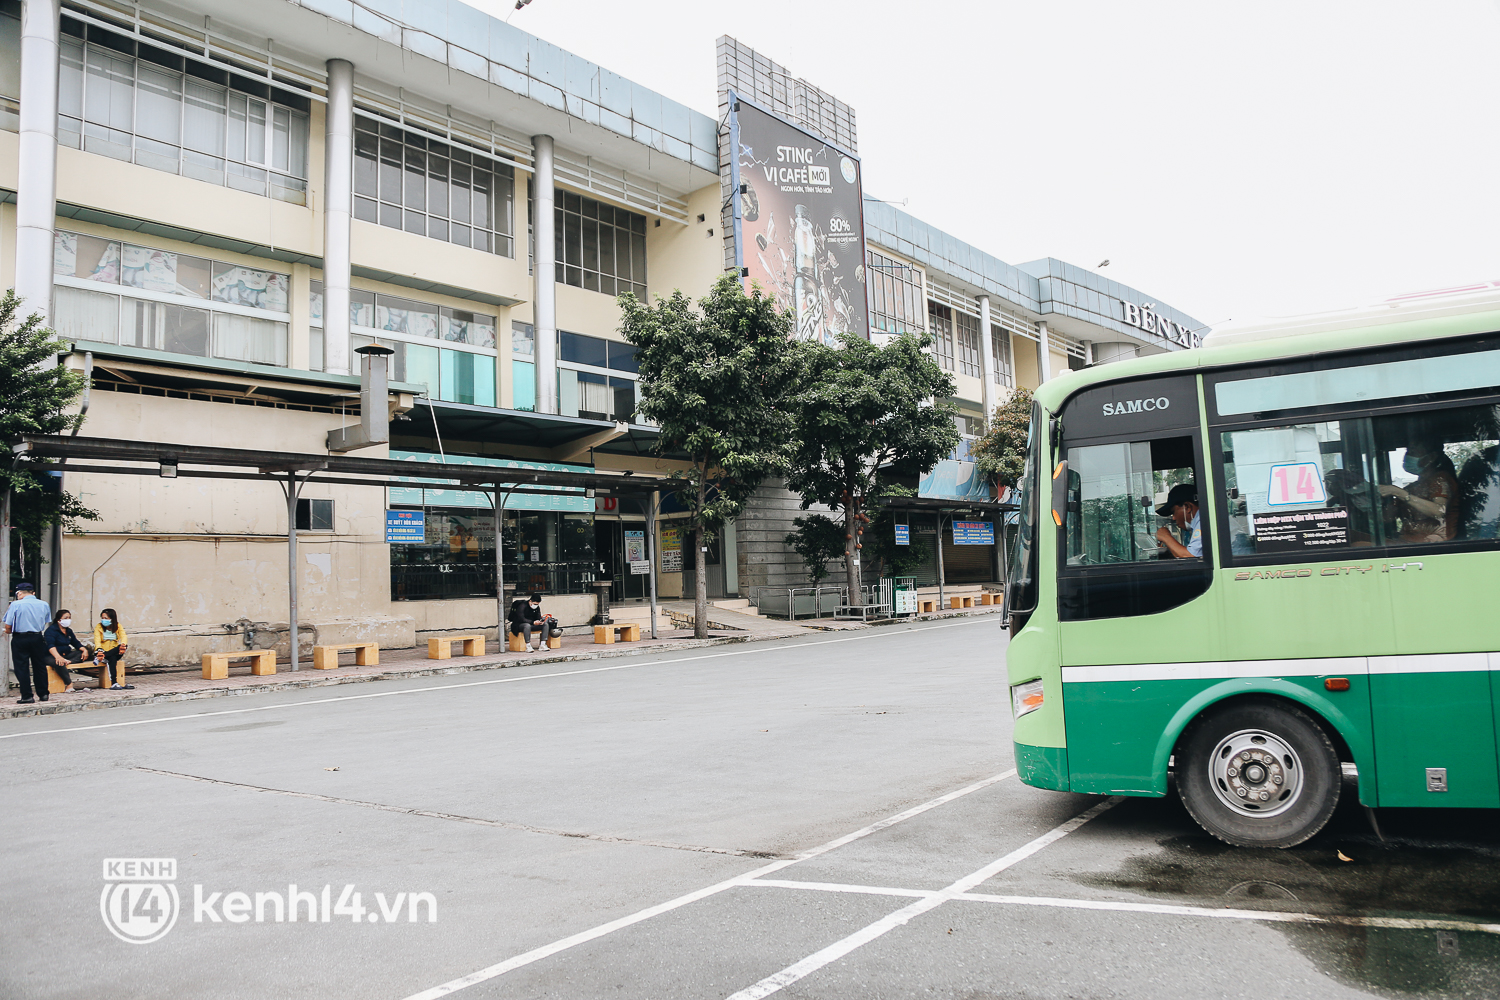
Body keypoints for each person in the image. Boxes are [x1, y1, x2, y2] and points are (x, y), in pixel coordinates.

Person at [1379, 441, 1460, 543]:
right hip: (1408, 541)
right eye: (1407, 452)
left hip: (1432, 543)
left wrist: (1399, 493)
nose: (1407, 456)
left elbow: (1439, 511)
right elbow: (1386, 518)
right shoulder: (1412, 487)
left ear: (1431, 457)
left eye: (1413, 452)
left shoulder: (1440, 480)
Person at [5, 582, 54, 704]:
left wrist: (8, 631)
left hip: (20, 638)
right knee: (39, 666)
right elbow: (46, 621)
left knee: (22, 667)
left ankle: (27, 695)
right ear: (33, 593)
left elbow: (8, 625)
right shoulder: (44, 604)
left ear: (19, 593)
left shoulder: (15, 605)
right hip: (37, 637)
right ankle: (43, 694)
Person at [44, 609, 92, 693]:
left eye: (69, 618)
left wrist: (84, 650)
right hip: (52, 655)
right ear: (59, 620)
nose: (68, 620)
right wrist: (58, 657)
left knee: (82, 654)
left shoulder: (68, 631)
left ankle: (68, 661)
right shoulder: (51, 631)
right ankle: (69, 683)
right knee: (59, 662)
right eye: (66, 618)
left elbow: (76, 643)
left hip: (66, 654)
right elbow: (50, 645)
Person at [1154, 483, 1203, 559]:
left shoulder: (1203, 521)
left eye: (1174, 512)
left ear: (1187, 507)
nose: (1173, 518)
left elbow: (1190, 556)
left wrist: (1166, 537)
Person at [93, 608, 133, 690]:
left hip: (111, 652)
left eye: (106, 618)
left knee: (121, 647)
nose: (103, 620)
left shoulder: (118, 626)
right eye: (102, 618)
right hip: (101, 651)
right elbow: (97, 640)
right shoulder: (99, 626)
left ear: (112, 618)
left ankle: (101, 657)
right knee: (112, 658)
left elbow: (123, 636)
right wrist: (99, 649)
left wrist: (123, 644)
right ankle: (114, 682)